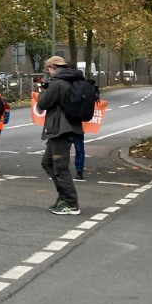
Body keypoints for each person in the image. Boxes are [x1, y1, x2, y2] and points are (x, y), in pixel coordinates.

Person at [37, 55, 84, 215]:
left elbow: (42, 104)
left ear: (54, 67)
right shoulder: (72, 80)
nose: (48, 72)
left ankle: (71, 203)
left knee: (60, 167)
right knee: (48, 162)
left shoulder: (58, 83)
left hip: (61, 129)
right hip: (66, 127)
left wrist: (43, 92)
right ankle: (63, 196)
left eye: (48, 69)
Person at [71, 77, 98, 179]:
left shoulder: (68, 88)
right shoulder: (84, 89)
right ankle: (79, 170)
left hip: (65, 124)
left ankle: (61, 170)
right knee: (79, 148)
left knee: (63, 148)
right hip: (78, 125)